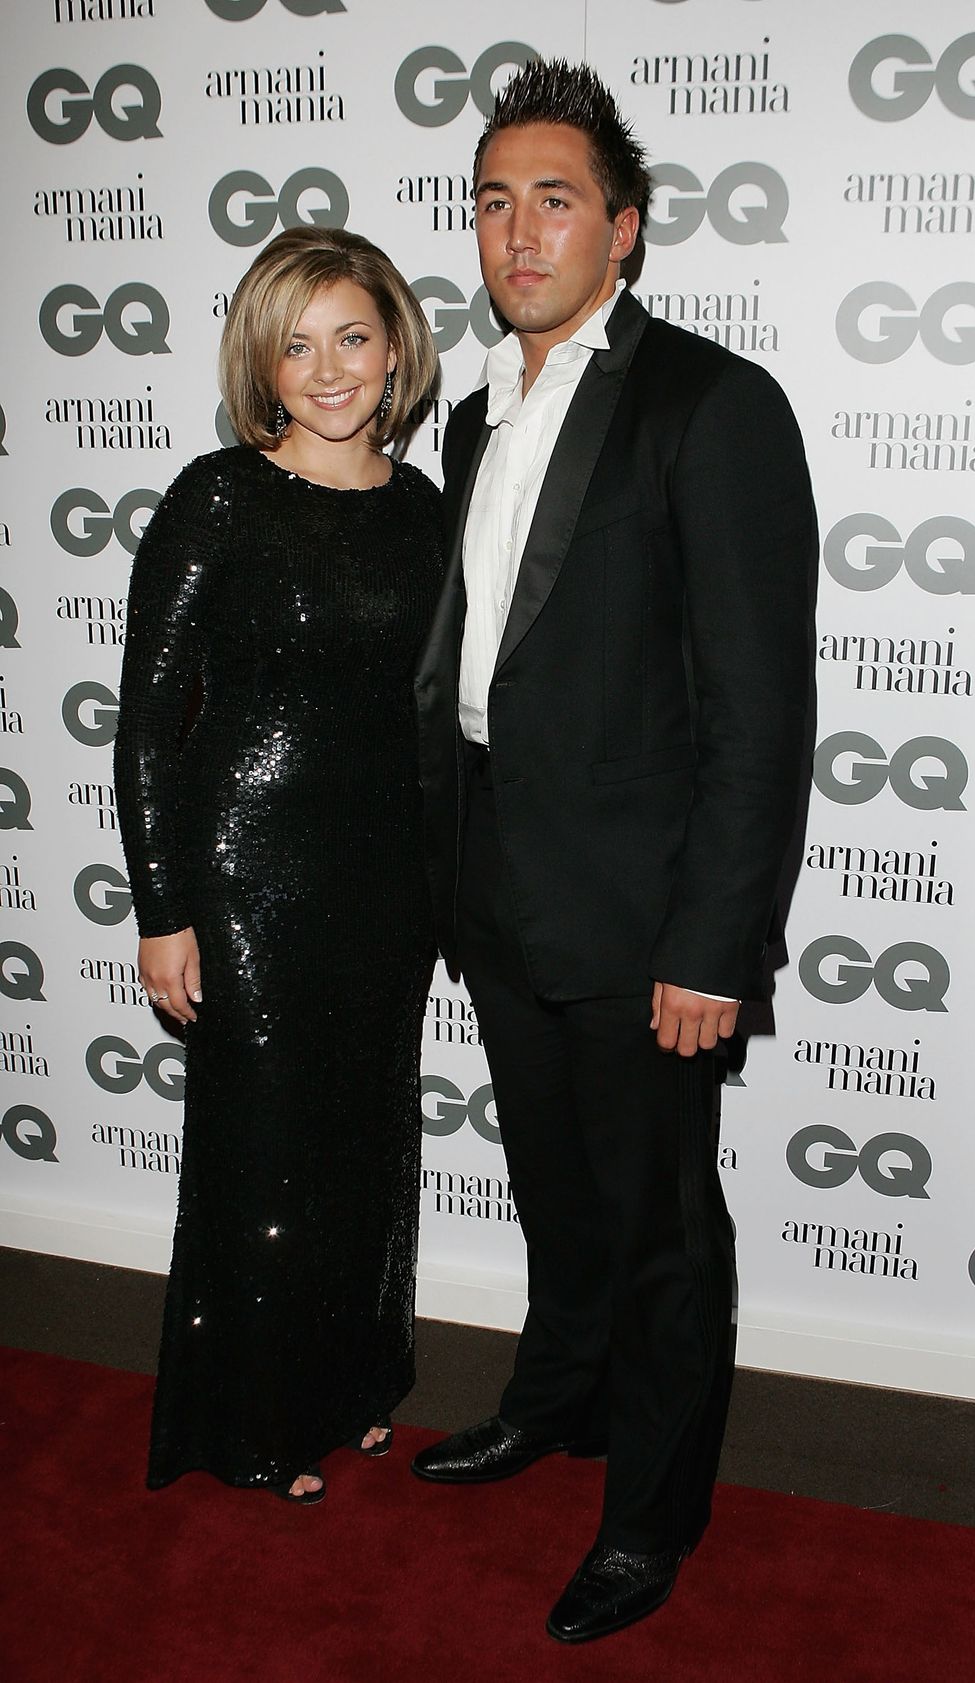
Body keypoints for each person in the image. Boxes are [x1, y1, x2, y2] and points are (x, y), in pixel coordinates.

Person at [412, 61, 817, 1640]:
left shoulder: (712, 407)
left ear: (625, 232)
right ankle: (554, 1399)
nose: (521, 230)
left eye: (557, 199)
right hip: (500, 891)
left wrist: (711, 944)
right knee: (554, 1192)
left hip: (648, 917)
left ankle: (651, 1510)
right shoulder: (471, 414)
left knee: (659, 1231)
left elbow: (757, 714)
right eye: (496, 200)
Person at [114, 226, 442, 1502]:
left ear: (394, 346)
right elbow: (148, 716)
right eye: (295, 343)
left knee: (366, 1145)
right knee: (267, 1155)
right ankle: (252, 1425)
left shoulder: (421, 509)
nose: (326, 369)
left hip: (386, 889)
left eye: (351, 336)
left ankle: (353, 1385)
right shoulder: (218, 497)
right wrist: (164, 907)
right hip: (248, 879)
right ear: (261, 359)